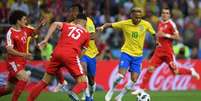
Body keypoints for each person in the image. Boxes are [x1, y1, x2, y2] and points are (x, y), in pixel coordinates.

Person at [96, 7, 156, 101]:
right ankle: (111, 90)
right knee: (120, 76)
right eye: (136, 17)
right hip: (126, 53)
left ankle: (120, 96)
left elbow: (154, 34)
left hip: (138, 56)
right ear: (131, 16)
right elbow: (109, 24)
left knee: (133, 80)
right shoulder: (124, 23)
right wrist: (102, 27)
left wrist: (157, 41)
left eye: (140, 17)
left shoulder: (146, 24)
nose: (138, 19)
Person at [27, 14, 90, 101]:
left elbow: (55, 24)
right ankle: (73, 93)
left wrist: (45, 40)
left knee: (44, 81)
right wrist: (76, 60)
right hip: (71, 55)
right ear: (85, 22)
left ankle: (29, 100)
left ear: (77, 20)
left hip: (57, 53)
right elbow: (83, 51)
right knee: (84, 82)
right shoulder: (86, 34)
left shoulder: (68, 25)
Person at [139, 7, 200, 91]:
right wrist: (157, 41)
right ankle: (141, 89)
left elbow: (177, 37)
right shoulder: (159, 22)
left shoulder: (171, 24)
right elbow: (158, 35)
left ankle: (191, 71)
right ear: (161, 14)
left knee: (176, 72)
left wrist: (166, 35)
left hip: (168, 52)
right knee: (150, 68)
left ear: (169, 15)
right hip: (158, 52)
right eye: (163, 13)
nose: (165, 14)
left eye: (167, 13)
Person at [0, 10, 46, 101]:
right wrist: (23, 54)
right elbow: (9, 49)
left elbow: (34, 33)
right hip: (13, 62)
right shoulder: (11, 32)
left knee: (9, 89)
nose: (26, 21)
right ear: (18, 21)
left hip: (21, 62)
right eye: (24, 19)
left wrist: (40, 25)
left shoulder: (26, 28)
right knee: (25, 78)